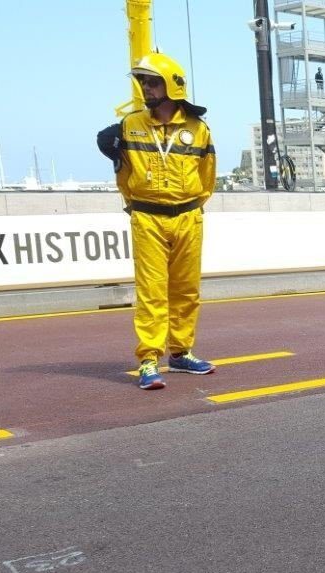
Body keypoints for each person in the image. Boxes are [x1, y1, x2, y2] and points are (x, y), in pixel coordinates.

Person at [96, 52, 217, 389]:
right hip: (147, 217)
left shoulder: (198, 129)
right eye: (143, 82)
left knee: (186, 290)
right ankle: (149, 359)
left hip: (188, 217)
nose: (146, 88)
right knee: (152, 292)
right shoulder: (130, 125)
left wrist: (193, 207)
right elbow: (120, 167)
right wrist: (136, 204)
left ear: (172, 86)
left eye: (152, 82)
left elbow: (208, 176)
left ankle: (180, 352)